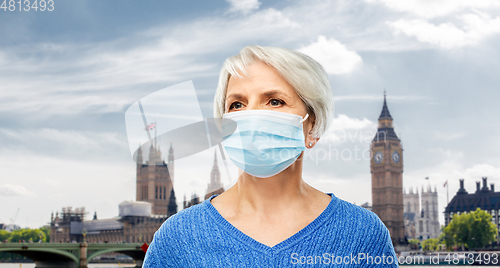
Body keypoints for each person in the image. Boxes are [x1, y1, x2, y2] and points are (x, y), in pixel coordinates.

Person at [143, 45, 398, 267]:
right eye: (237, 105)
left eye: (274, 101)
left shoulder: (362, 234)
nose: (251, 115)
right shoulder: (178, 239)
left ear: (313, 126)